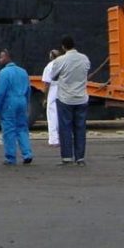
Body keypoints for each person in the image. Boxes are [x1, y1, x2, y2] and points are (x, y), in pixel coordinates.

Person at [50, 35, 90, 165]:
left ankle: (67, 157)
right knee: (80, 128)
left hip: (65, 99)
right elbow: (86, 72)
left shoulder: (60, 60)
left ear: (63, 47)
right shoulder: (85, 59)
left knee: (65, 128)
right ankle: (80, 158)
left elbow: (53, 77)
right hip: (82, 98)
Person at [0, 49, 34, 165]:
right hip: (22, 101)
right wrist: (27, 103)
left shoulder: (4, 73)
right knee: (22, 128)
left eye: (1, 57)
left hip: (9, 102)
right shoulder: (23, 71)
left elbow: (0, 92)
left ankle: (11, 157)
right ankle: (27, 153)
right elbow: (28, 90)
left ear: (7, 57)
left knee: (9, 130)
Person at [40, 48, 63, 147]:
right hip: (63, 90)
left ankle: (54, 140)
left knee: (52, 115)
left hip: (53, 90)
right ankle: (63, 138)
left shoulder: (49, 66)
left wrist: (45, 97)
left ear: (51, 57)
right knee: (62, 115)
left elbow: (46, 84)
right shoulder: (63, 65)